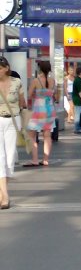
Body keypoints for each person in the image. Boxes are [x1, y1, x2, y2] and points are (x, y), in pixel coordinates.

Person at [0, 58, 27, 209]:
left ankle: (1, 192)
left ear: (6, 68)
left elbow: (22, 102)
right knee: (0, 157)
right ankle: (5, 196)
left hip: (13, 120)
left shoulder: (17, 82)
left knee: (10, 157)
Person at [25, 61, 55, 167]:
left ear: (39, 69)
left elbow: (29, 95)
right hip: (49, 110)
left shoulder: (36, 80)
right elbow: (53, 95)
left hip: (38, 110)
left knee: (32, 135)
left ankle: (35, 159)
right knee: (47, 135)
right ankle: (45, 160)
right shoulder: (52, 81)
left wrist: (35, 96)